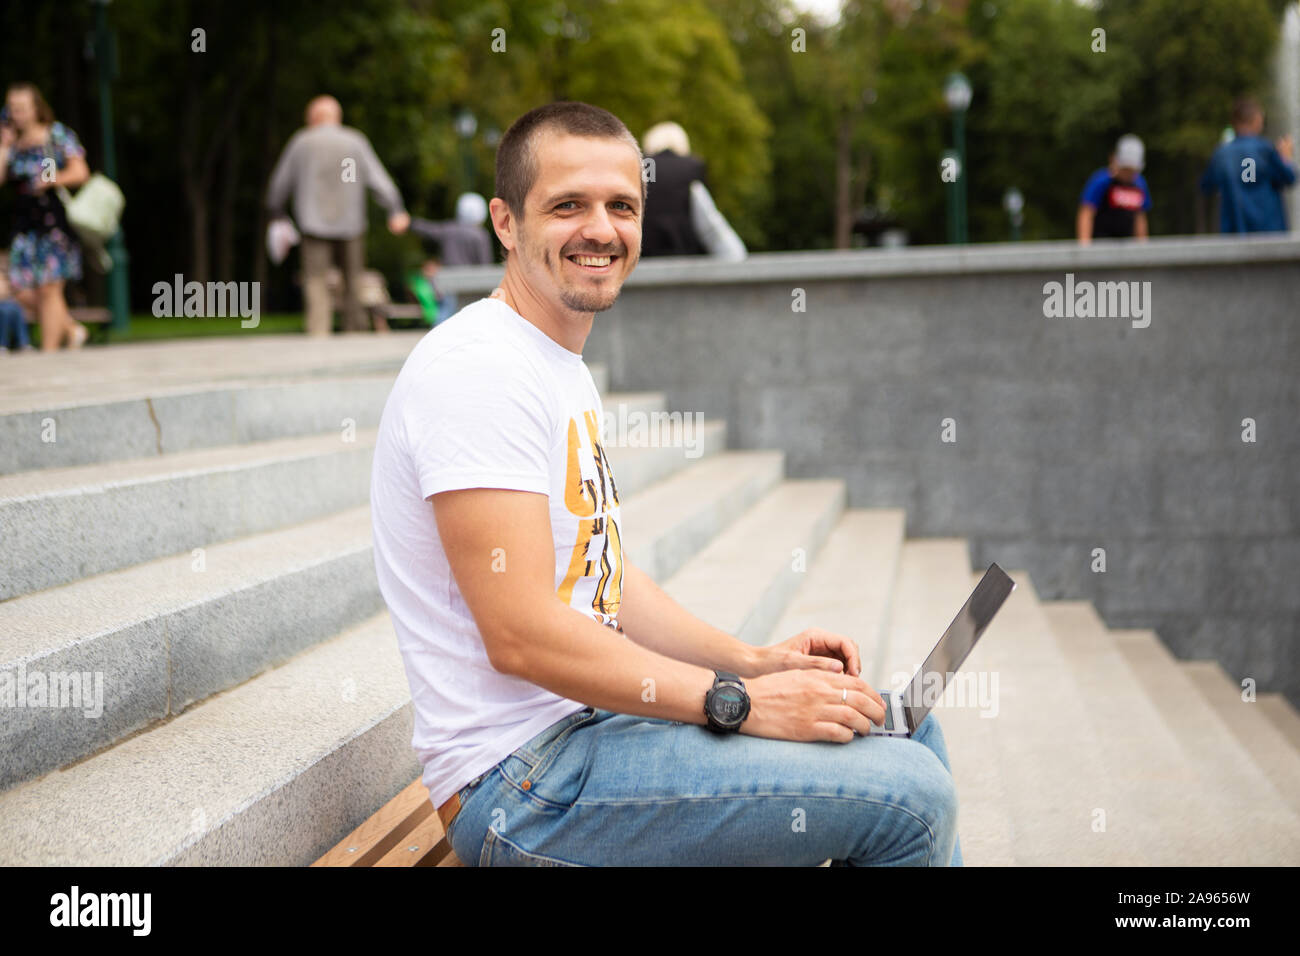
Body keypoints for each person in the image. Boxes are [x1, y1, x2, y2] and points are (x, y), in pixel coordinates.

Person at [368, 100, 962, 866]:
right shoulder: (479, 369)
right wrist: (740, 705)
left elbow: (604, 582)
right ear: (506, 223)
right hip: (525, 788)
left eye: (622, 206)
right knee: (910, 802)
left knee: (900, 724)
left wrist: (754, 663)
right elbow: (517, 633)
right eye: (567, 205)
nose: (601, 229)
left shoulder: (554, 362)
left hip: (586, 737)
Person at [266, 95, 409, 336]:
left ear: (312, 118)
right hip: (351, 222)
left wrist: (275, 211)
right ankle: (355, 333)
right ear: (337, 116)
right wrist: (395, 208)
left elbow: (280, 184)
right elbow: (378, 179)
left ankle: (318, 333)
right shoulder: (354, 141)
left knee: (315, 281)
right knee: (353, 280)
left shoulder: (301, 142)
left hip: (313, 223)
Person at [0, 83, 91, 351]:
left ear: (35, 108)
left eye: (22, 108)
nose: (16, 114)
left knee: (50, 289)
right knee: (18, 287)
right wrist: (4, 146)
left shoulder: (52, 137)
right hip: (24, 224)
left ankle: (48, 354)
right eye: (12, 108)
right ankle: (71, 329)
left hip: (52, 223)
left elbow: (79, 172)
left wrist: (50, 180)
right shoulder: (12, 143)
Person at [1199, 97, 1296, 233]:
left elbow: (1206, 186)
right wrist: (1285, 157)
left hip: (1235, 232)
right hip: (1269, 232)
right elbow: (1289, 177)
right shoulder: (1265, 149)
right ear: (1256, 120)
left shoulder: (1221, 153)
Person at [409, 191, 494, 320]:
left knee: (443, 319)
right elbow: (485, 265)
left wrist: (410, 222)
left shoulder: (449, 229)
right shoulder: (481, 235)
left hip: (448, 287)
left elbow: (428, 229)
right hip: (472, 289)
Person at [1076, 134, 1152, 244]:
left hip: (1128, 247)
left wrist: (1142, 248)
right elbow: (1086, 213)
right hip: (1101, 245)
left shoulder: (1139, 184)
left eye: (1131, 170)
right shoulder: (1101, 181)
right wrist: (1085, 248)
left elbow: (1140, 218)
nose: (1127, 174)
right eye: (1125, 169)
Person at [0, 251, 34, 352]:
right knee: (4, 313)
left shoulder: (5, 276)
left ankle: (23, 342)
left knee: (17, 309)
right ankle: (2, 343)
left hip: (6, 302)